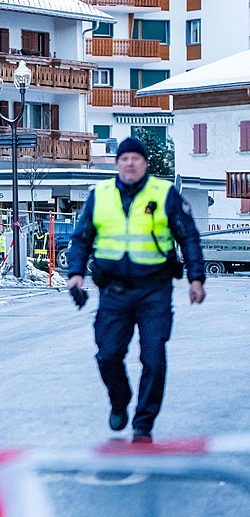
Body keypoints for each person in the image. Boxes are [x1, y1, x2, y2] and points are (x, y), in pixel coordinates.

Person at [66, 137, 205, 443]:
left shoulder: (164, 194)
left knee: (154, 358)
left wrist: (196, 279)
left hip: (154, 290)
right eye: (124, 158)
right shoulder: (99, 195)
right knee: (108, 356)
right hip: (114, 292)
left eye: (136, 159)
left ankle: (143, 423)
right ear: (117, 164)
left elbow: (189, 238)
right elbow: (81, 238)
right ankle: (120, 400)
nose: (130, 163)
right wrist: (75, 274)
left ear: (145, 163)